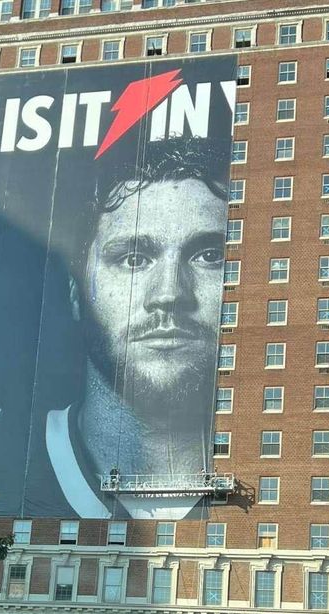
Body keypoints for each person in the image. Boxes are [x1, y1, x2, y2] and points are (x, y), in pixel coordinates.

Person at [44, 137, 228, 520]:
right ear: (76, 292)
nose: (169, 294)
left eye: (210, 256)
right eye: (133, 258)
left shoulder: (289, 455)